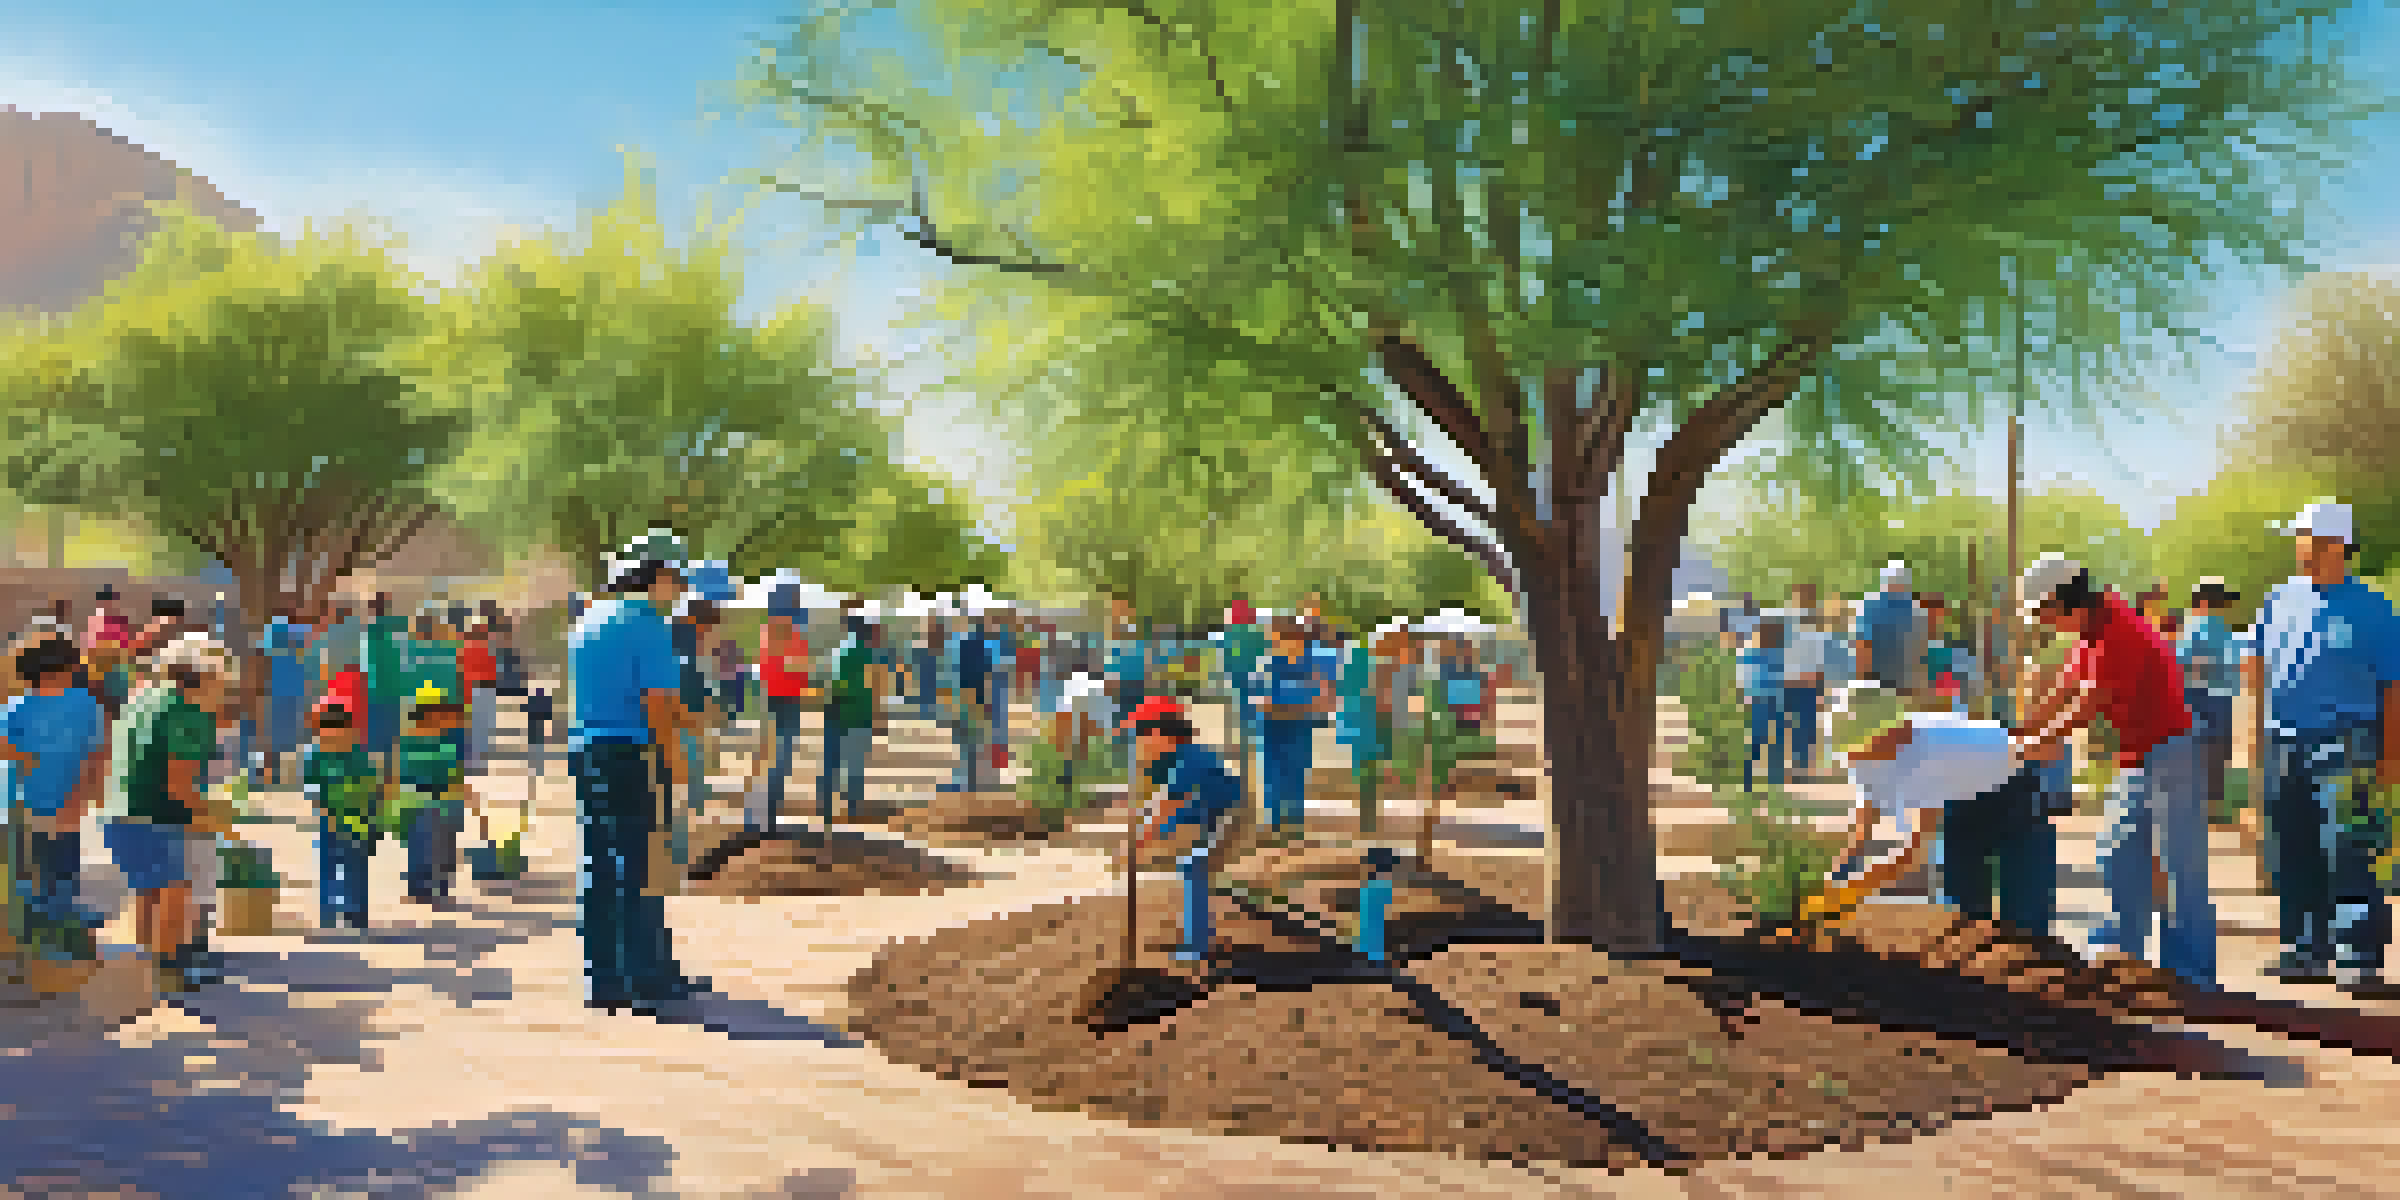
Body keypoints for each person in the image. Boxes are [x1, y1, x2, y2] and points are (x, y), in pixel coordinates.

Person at [2015, 553, 2211, 989]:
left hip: (2168, 754)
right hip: (2137, 756)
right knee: (2118, 854)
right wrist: (2016, 731)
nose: (2044, 624)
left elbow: (2088, 705)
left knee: (2179, 867)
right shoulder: (2091, 628)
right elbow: (2067, 686)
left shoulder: (2117, 632)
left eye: (2044, 614)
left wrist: (2030, 744)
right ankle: (2122, 957)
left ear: (2065, 602)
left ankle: (2195, 975)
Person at [2245, 502, 2400, 997]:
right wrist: (2255, 735)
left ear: (2335, 546)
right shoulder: (2279, 599)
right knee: (2292, 848)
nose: (2298, 547)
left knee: (2350, 848)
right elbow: (2255, 662)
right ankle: (2304, 952)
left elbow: (2393, 687)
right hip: (2285, 740)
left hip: (2349, 743)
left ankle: (2359, 960)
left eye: (2305, 538)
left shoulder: (2374, 609)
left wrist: (2391, 757)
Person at [568, 533, 709, 1015]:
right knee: (642, 867)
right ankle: (647, 979)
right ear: (659, 575)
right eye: (678, 578)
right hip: (633, 753)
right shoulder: (648, 624)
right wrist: (676, 760)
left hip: (589, 750)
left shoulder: (589, 619)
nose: (681, 588)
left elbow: (615, 693)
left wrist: (688, 717)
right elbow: (657, 704)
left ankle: (604, 979)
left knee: (601, 866)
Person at [1808, 685, 2025, 922]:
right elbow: (1865, 823)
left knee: (2022, 910)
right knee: (1963, 909)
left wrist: (1857, 888)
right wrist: (1840, 873)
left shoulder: (1930, 750)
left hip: (2014, 788)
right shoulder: (1865, 755)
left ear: (1889, 734)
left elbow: (1914, 853)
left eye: (1862, 749)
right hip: (1957, 793)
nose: (1856, 758)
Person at [107, 633, 238, 993]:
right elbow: (178, 783)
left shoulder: (140, 702)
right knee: (175, 891)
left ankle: (148, 968)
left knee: (149, 892)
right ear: (201, 675)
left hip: (121, 813)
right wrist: (215, 817)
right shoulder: (183, 712)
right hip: (155, 816)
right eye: (220, 676)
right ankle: (169, 972)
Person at [2, 636, 109, 960]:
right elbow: (98, 754)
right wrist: (85, 798)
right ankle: (58, 943)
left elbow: (4, 746)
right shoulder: (86, 703)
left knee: (31, 878)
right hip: (63, 802)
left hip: (23, 804)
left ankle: (39, 945)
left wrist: (28, 756)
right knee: (60, 874)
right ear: (66, 668)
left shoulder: (19, 704)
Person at [1127, 696, 1246, 962]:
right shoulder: (1180, 757)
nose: (1138, 741)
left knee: (1195, 866)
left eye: (1140, 733)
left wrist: (1139, 841)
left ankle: (1197, 947)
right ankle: (1198, 940)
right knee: (1191, 862)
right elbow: (1165, 804)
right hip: (1216, 817)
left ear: (1158, 732)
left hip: (1235, 818)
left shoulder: (1190, 757)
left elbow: (1170, 804)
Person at [393, 683, 475, 906]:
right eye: (439, 714)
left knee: (444, 849)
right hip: (420, 804)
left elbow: (455, 776)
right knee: (420, 849)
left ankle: (439, 887)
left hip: (444, 805)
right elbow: (404, 773)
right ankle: (421, 888)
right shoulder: (411, 743)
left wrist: (461, 796)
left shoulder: (446, 745)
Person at [302, 702, 380, 931]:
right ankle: (327, 914)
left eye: (337, 729)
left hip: (357, 821)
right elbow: (312, 788)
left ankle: (356, 914)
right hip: (329, 821)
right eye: (323, 730)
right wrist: (324, 811)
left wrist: (371, 820)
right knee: (328, 868)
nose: (329, 736)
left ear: (348, 731)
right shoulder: (316, 756)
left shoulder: (358, 756)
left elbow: (371, 788)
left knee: (356, 869)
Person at [1253, 618, 1333, 837]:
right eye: (1275, 638)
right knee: (1273, 777)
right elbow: (1259, 699)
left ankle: (1295, 826)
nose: (1277, 642)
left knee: (1296, 776)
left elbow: (1322, 699)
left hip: (1299, 729)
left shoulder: (1310, 665)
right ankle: (1275, 825)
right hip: (1273, 730)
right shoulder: (1268, 663)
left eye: (1281, 637)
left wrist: (1301, 707)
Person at [2178, 578, 2243, 828]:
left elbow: (2179, 663)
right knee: (2218, 754)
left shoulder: (2193, 628)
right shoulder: (2227, 632)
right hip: (2224, 698)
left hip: (2194, 695)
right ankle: (2212, 808)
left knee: (2194, 752)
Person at [756, 603, 819, 831]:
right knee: (781, 757)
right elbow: (801, 670)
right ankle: (769, 813)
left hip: (770, 698)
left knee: (771, 755)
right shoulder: (792, 636)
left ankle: (764, 812)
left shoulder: (767, 633)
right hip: (787, 700)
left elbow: (767, 669)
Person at [820, 615, 888, 827]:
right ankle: (852, 807)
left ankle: (827, 809)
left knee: (831, 764)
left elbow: (828, 684)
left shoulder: (837, 650)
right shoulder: (868, 654)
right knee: (855, 763)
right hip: (858, 714)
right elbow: (874, 688)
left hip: (834, 712)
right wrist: (879, 718)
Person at [1854, 561, 1927, 694]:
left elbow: (1919, 644)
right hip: (1888, 672)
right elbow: (1862, 642)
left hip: (1900, 673)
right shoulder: (1873, 605)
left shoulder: (1914, 608)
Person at [260, 605, 314, 785]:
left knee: (282, 734)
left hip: (286, 689)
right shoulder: (294, 630)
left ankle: (276, 774)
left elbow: (266, 656)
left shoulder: (283, 629)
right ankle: (280, 774)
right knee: (287, 734)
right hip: (288, 690)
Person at [1781, 589, 1832, 775]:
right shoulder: (1801, 628)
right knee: (1802, 727)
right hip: (1800, 682)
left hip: (1798, 682)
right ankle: (1799, 765)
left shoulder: (1795, 628)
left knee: (1800, 727)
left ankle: (1799, 766)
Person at [943, 615, 994, 793]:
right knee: (973, 740)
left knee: (966, 740)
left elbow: (954, 675)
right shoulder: (983, 646)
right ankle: (973, 780)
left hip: (968, 698)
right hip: (976, 698)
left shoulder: (962, 644)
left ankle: (967, 781)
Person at [1737, 618, 1786, 792]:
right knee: (1759, 740)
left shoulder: (1776, 655)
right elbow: (1745, 679)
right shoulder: (1755, 655)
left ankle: (1772, 779)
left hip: (1771, 700)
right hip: (1761, 701)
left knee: (1774, 740)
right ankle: (1750, 780)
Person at [459, 621, 499, 772]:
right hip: (482, 690)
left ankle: (474, 762)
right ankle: (476, 763)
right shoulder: (479, 646)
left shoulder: (468, 646)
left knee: (477, 729)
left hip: (479, 690)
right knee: (480, 729)